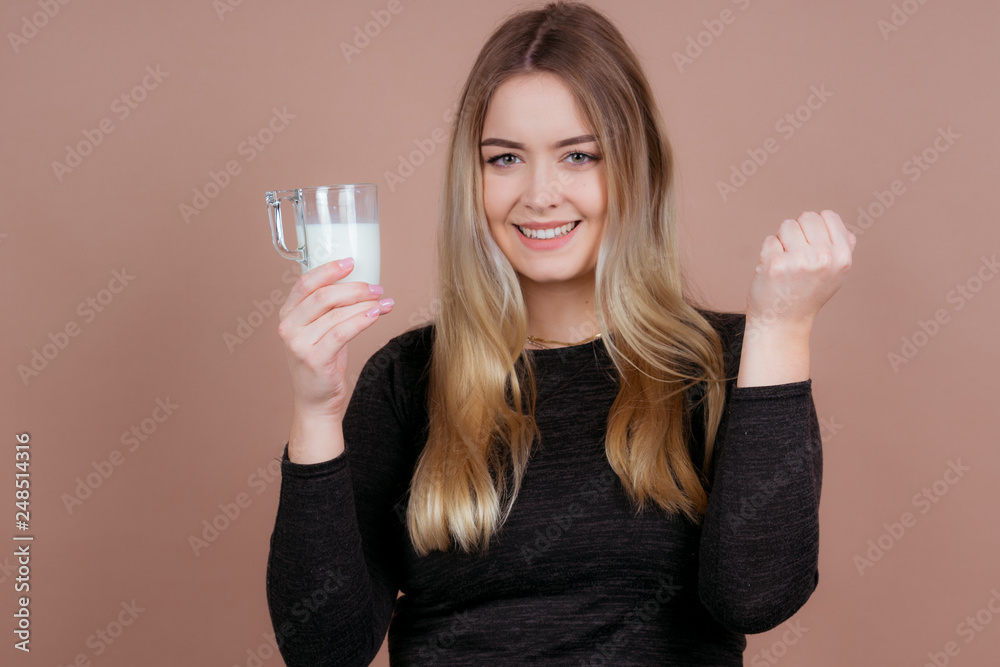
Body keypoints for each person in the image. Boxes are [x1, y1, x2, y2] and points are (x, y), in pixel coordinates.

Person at [265, 1, 855, 665]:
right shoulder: (407, 379)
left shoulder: (727, 363)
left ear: (638, 167)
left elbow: (757, 596)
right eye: (506, 158)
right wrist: (315, 412)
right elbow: (321, 649)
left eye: (578, 156)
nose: (540, 193)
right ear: (474, 178)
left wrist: (783, 328)